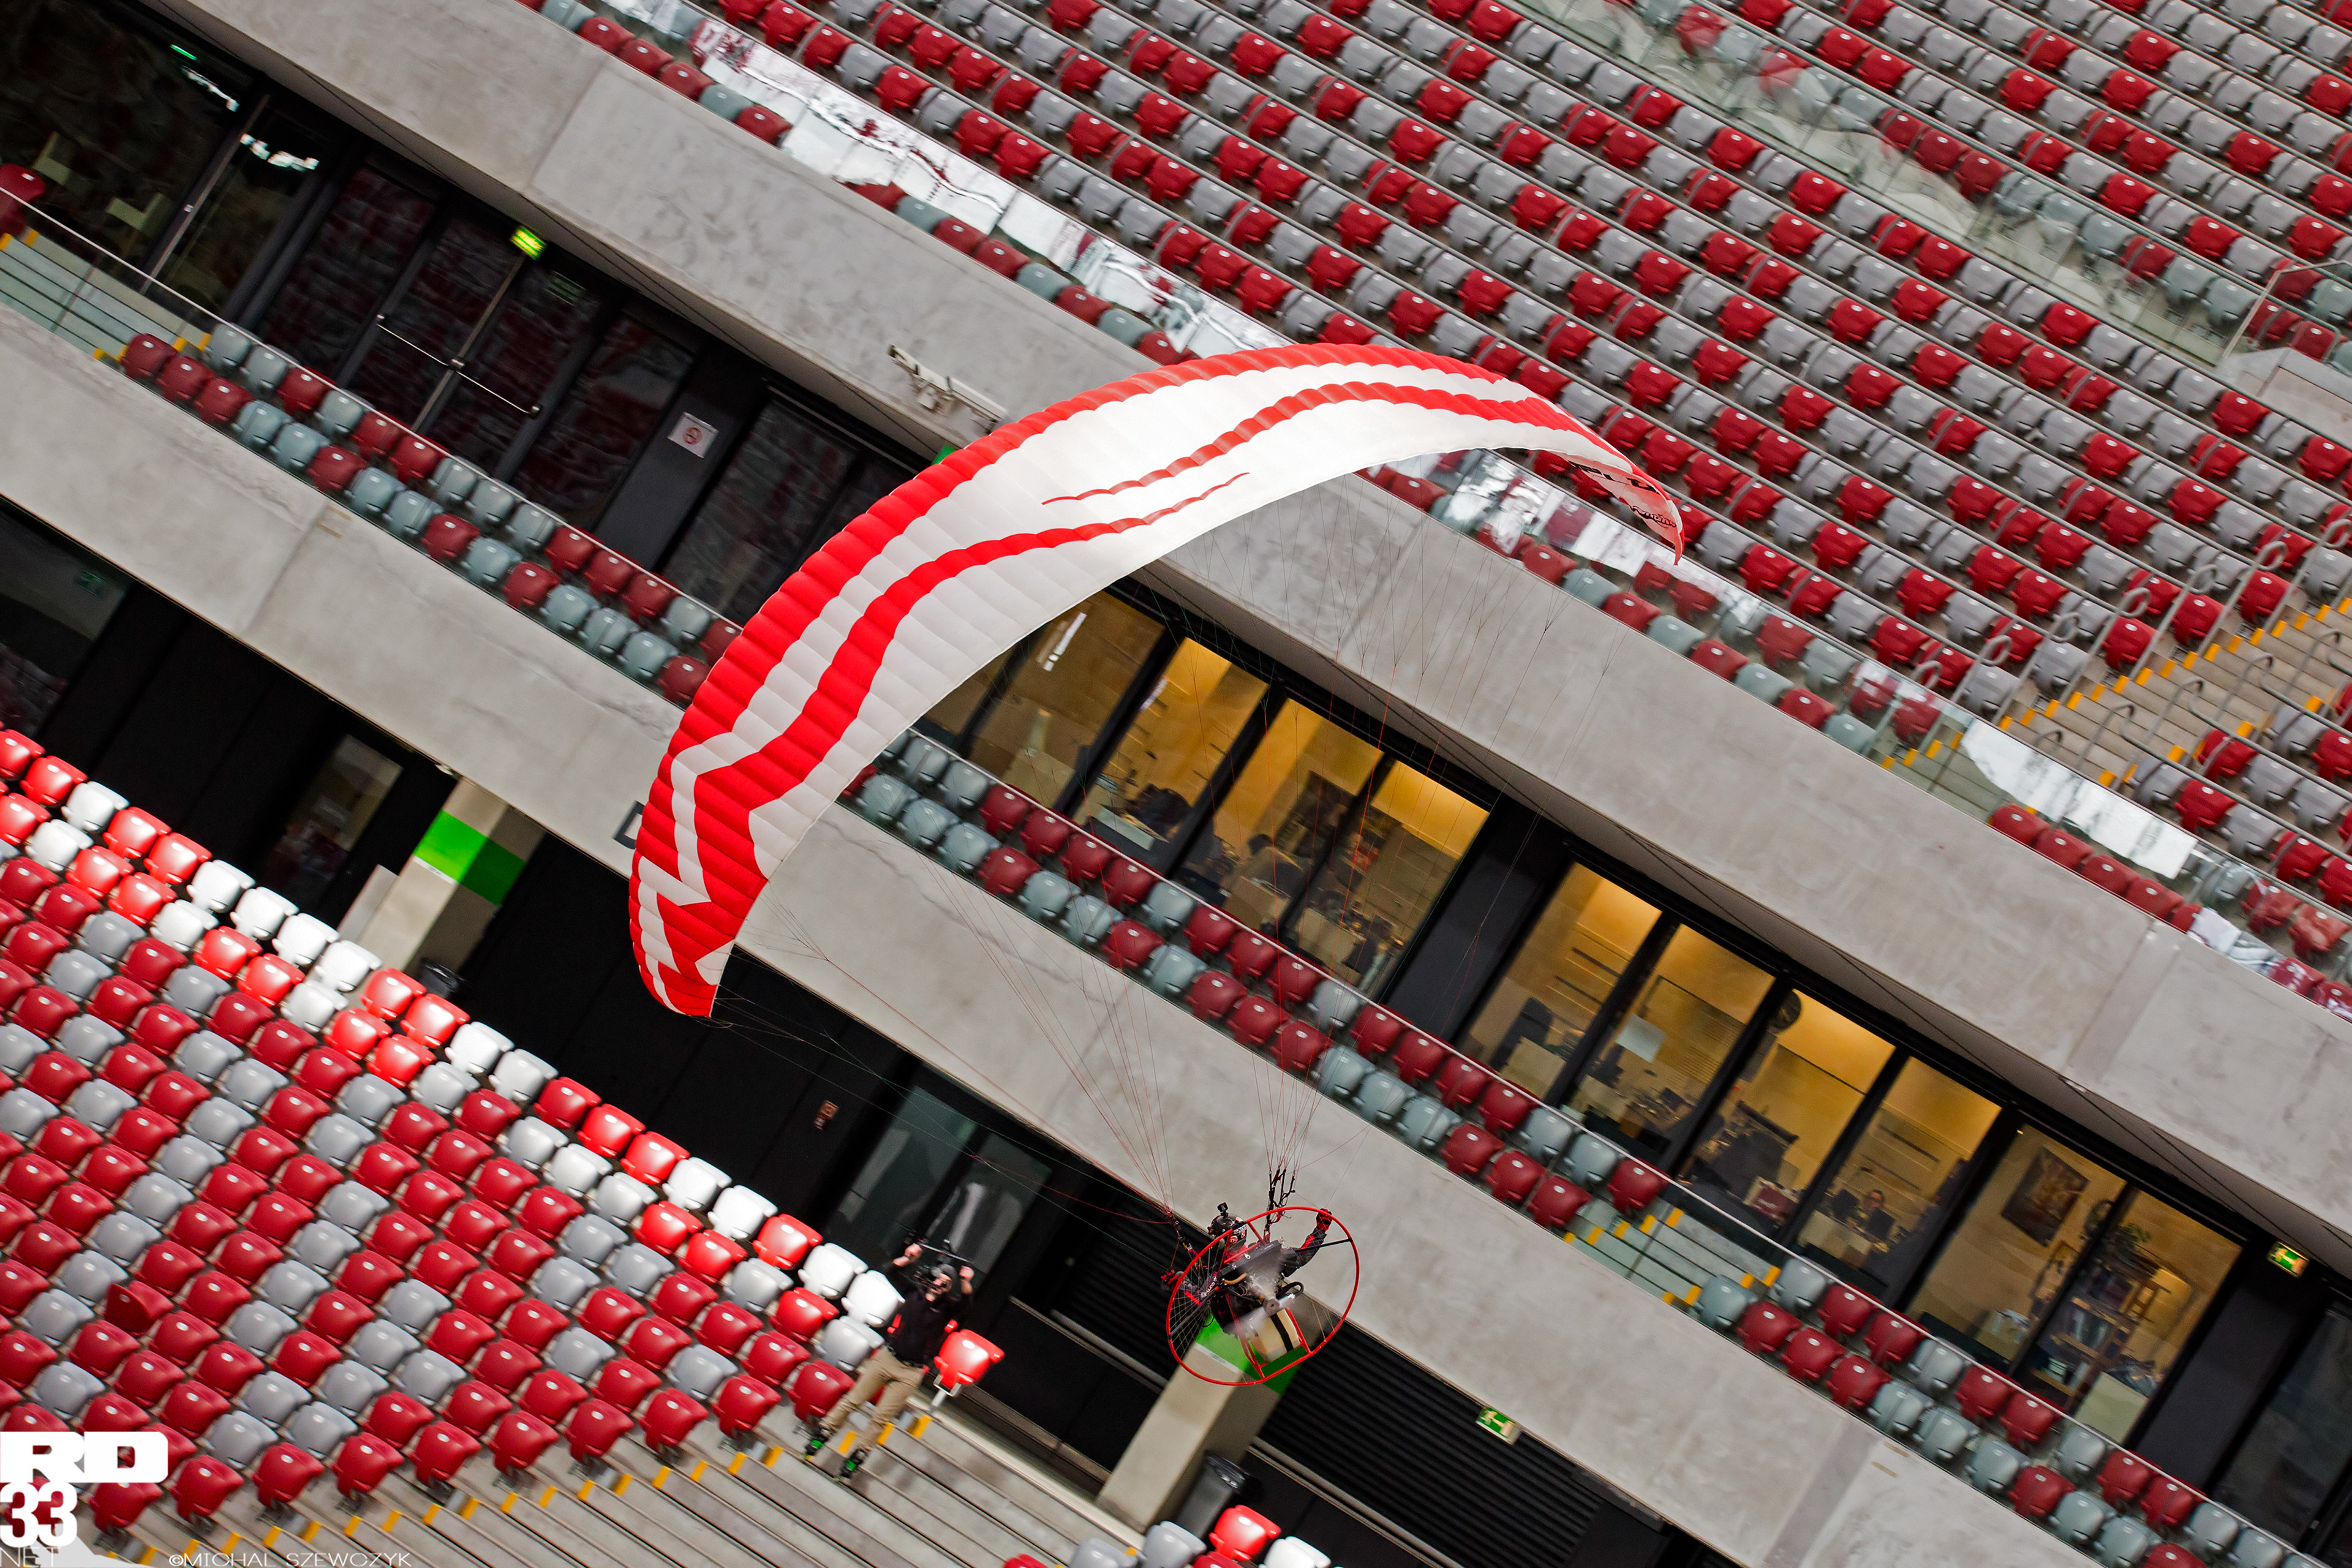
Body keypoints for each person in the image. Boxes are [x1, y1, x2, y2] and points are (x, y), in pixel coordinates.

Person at [808, 1243, 974, 1457]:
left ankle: (859, 1454)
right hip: (888, 1357)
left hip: (910, 1371)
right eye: (939, 1278)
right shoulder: (915, 1292)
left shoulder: (947, 1308)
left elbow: (967, 1304)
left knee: (881, 1418)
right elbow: (891, 1271)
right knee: (854, 1400)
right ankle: (824, 1432)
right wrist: (908, 1258)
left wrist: (965, 1281)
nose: (940, 1283)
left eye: (947, 1283)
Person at [1205, 1206, 1331, 1364]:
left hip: (1261, 1306)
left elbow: (1301, 1257)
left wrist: (1321, 1229)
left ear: (1229, 1240)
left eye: (1219, 1240)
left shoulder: (1263, 1255)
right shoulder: (1220, 1272)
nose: (1215, 1244)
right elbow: (1202, 1298)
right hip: (1248, 1314)